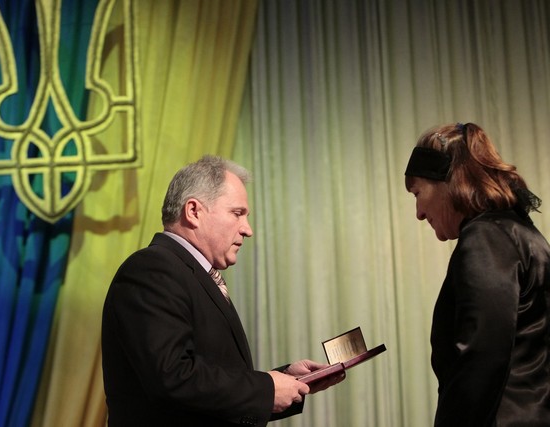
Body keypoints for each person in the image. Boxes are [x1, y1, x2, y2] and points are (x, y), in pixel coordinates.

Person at [102, 155, 344, 427]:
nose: (248, 230)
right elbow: (172, 376)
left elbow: (209, 381)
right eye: (237, 213)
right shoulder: (152, 269)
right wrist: (265, 389)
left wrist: (286, 382)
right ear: (194, 211)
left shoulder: (189, 273)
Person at [404, 122, 550, 426]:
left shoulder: (486, 238)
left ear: (445, 183)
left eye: (417, 193)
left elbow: (481, 360)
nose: (418, 212)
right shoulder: (517, 232)